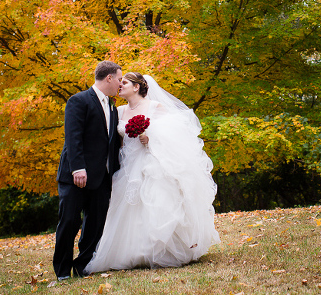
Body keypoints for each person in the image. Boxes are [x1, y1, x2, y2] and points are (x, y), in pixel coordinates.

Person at [84, 72, 220, 272]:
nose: (120, 86)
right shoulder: (119, 111)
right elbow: (116, 141)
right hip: (128, 166)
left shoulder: (156, 107)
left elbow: (177, 137)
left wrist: (151, 139)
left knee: (156, 203)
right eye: (119, 82)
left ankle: (161, 251)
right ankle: (132, 252)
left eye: (125, 83)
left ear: (137, 87)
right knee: (127, 207)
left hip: (153, 163)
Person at [53, 61, 123, 280]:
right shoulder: (79, 100)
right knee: (69, 222)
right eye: (119, 79)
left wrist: (115, 172)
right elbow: (73, 138)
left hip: (102, 178)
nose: (121, 85)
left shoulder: (112, 107)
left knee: (95, 225)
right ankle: (63, 271)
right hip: (76, 176)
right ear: (109, 78)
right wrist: (78, 169)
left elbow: (111, 143)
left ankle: (82, 266)